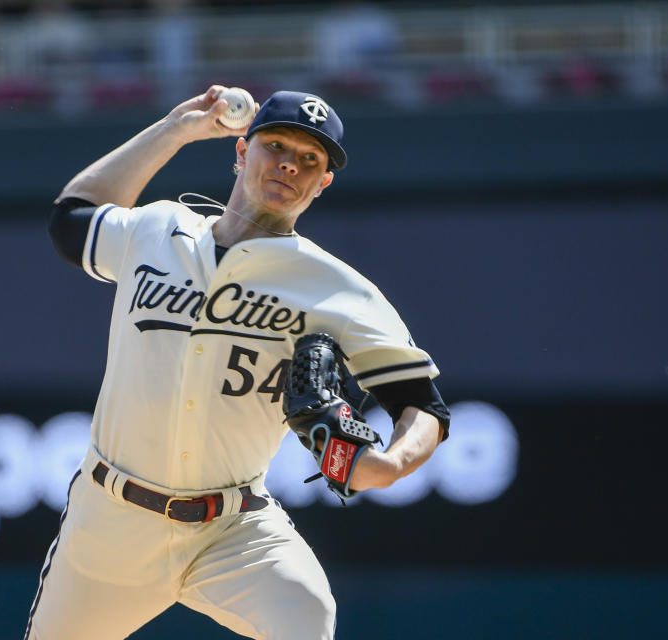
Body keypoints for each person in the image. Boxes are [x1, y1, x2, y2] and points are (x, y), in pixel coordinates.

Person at [26, 86, 451, 640]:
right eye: (275, 146)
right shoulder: (157, 229)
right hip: (110, 522)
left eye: (309, 160)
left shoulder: (336, 289)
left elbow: (423, 405)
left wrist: (390, 465)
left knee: (307, 613)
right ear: (241, 152)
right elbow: (70, 219)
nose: (288, 166)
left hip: (234, 528)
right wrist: (175, 130)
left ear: (322, 183)